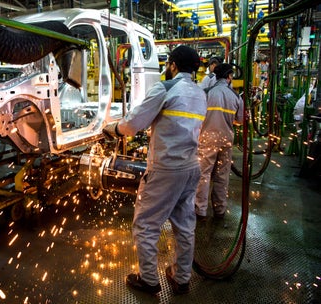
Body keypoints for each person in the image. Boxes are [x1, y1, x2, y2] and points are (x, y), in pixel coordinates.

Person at [103, 45, 207, 295]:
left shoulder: (165, 88)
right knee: (184, 225)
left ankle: (149, 279)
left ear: (172, 65)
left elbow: (133, 124)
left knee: (146, 225)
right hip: (191, 167)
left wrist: (112, 129)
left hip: (166, 169)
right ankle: (181, 278)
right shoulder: (200, 93)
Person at [195, 63, 244, 221]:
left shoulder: (206, 93)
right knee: (222, 175)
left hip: (207, 138)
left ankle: (200, 211)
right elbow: (240, 120)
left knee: (203, 175)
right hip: (226, 140)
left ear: (215, 76)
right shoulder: (236, 97)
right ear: (229, 76)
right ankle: (220, 210)